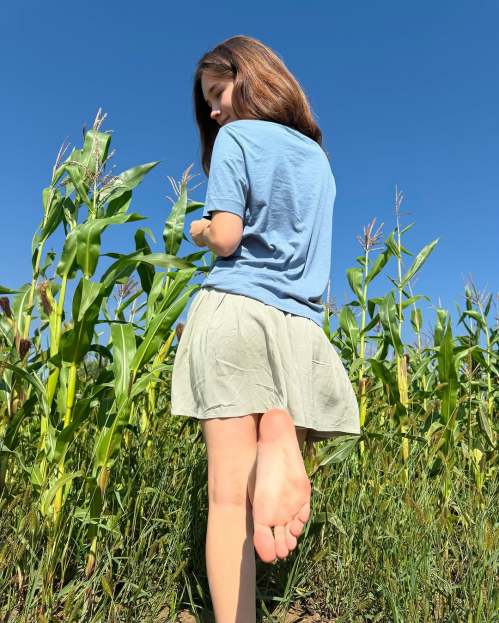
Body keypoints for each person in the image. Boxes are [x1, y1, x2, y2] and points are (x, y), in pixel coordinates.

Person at [171, 34, 361, 623]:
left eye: (217, 92)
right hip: (300, 331)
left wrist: (197, 229)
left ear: (249, 77)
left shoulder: (238, 138)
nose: (213, 111)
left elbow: (227, 236)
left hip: (237, 312)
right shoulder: (319, 162)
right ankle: (277, 421)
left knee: (229, 501)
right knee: (255, 498)